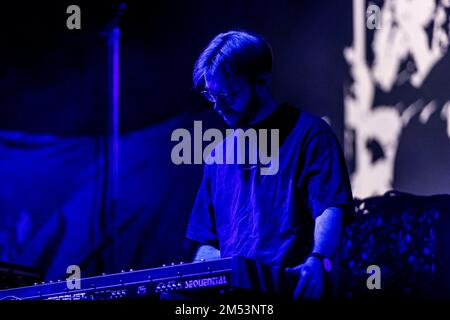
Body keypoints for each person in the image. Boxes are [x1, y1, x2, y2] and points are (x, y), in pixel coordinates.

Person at [186, 30, 354, 300]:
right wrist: (201, 279)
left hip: (290, 288)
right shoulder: (217, 155)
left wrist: (318, 261)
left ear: (261, 81)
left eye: (228, 94)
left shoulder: (310, 134)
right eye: (211, 95)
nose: (218, 106)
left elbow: (330, 208)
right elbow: (208, 240)